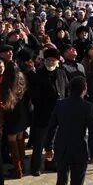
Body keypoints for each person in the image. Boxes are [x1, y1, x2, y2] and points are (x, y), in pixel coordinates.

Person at [45, 76, 93, 185]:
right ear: (84, 90)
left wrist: (48, 147)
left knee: (61, 181)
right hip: (79, 150)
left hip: (61, 147)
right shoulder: (88, 107)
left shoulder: (60, 104)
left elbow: (51, 127)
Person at [29, 47, 69, 175]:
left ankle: (51, 163)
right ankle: (35, 167)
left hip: (59, 114)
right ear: (45, 60)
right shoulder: (39, 75)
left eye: (53, 60)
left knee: (56, 142)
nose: (51, 62)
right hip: (43, 114)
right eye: (49, 60)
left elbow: (66, 90)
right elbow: (34, 96)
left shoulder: (62, 73)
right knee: (39, 143)